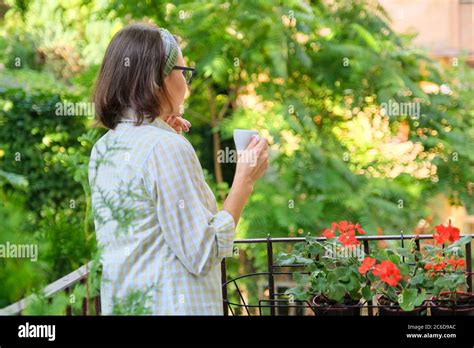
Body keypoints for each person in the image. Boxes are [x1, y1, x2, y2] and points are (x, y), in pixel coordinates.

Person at [89, 22, 268, 315]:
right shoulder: (165, 148)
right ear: (157, 79)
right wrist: (244, 182)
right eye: (184, 73)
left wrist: (162, 131)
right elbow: (203, 251)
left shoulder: (105, 148)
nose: (187, 84)